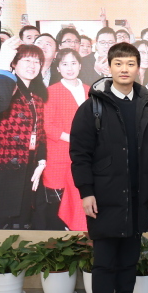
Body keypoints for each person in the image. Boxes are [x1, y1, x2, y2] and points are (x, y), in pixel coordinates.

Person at [69, 42, 148, 293]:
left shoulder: (147, 106)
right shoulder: (92, 107)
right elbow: (80, 154)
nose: (125, 69)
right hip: (105, 195)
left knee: (129, 258)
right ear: (108, 67)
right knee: (105, 260)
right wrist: (86, 192)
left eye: (131, 64)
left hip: (138, 195)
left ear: (139, 67)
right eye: (119, 64)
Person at [0, 41, 48, 230]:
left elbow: (40, 134)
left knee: (22, 223)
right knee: (0, 222)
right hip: (1, 167)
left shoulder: (37, 97)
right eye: (27, 60)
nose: (33, 65)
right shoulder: (2, 89)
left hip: (27, 165)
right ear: (13, 63)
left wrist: (41, 160)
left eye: (37, 61)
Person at [41, 49, 89, 231]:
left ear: (80, 66)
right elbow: (47, 126)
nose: (70, 68)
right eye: (65, 64)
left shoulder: (90, 91)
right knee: (58, 211)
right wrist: (73, 139)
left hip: (84, 158)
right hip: (59, 157)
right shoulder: (50, 91)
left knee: (79, 208)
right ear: (58, 68)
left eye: (73, 63)